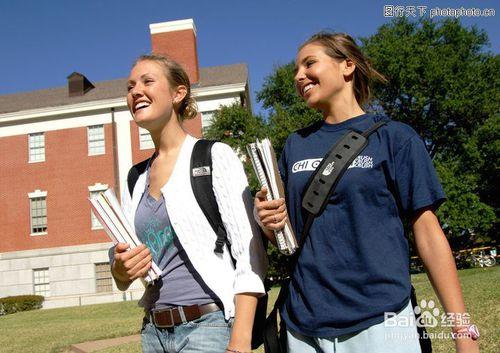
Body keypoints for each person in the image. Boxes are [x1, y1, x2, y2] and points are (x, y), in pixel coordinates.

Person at [255, 32, 479, 353]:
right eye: (296, 69)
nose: (298, 76)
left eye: (309, 63)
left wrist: (461, 328)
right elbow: (284, 231)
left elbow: (427, 232)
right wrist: (263, 216)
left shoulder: (395, 137)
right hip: (305, 324)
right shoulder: (295, 144)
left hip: (380, 319)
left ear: (347, 66)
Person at [111, 54, 268, 353]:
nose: (135, 92)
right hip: (153, 332)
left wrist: (240, 340)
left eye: (147, 81)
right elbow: (123, 269)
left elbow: (251, 254)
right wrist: (120, 269)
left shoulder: (214, 157)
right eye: (130, 86)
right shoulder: (136, 177)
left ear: (178, 93)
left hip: (208, 329)